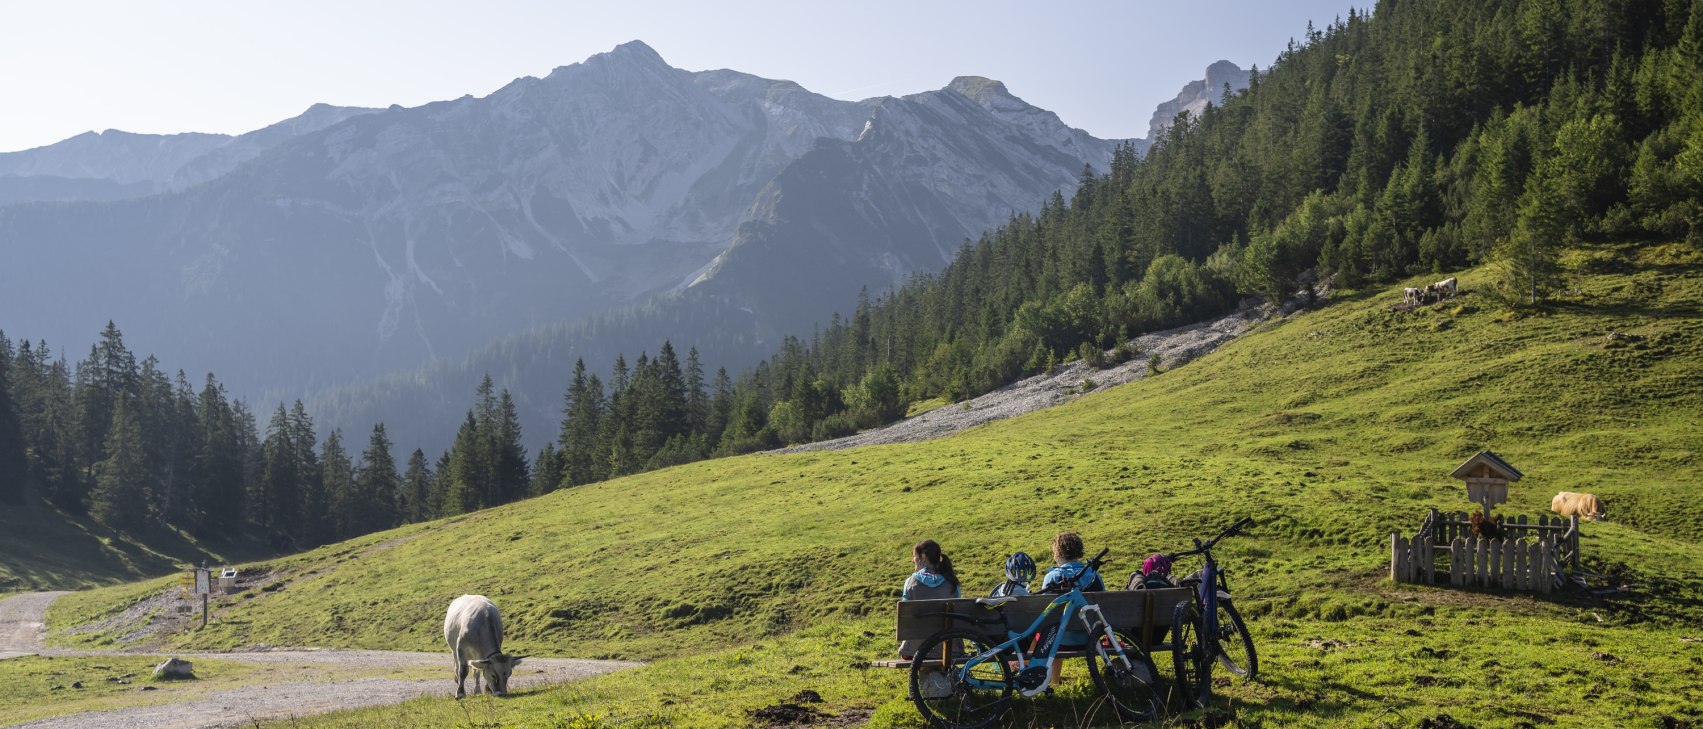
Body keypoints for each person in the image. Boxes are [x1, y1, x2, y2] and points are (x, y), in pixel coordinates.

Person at [898, 540, 960, 659]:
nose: (913, 561)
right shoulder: (953, 582)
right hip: (950, 650)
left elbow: (906, 617)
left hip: (915, 650)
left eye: (915, 557)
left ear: (923, 557)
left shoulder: (910, 582)